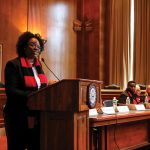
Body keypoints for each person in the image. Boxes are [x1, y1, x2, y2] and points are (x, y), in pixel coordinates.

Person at [3, 31, 48, 150]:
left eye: (38, 46)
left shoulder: (39, 67)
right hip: (17, 115)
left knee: (36, 145)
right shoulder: (13, 65)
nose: (36, 48)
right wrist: (34, 96)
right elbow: (11, 91)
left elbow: (43, 88)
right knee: (17, 146)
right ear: (23, 47)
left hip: (36, 115)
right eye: (32, 45)